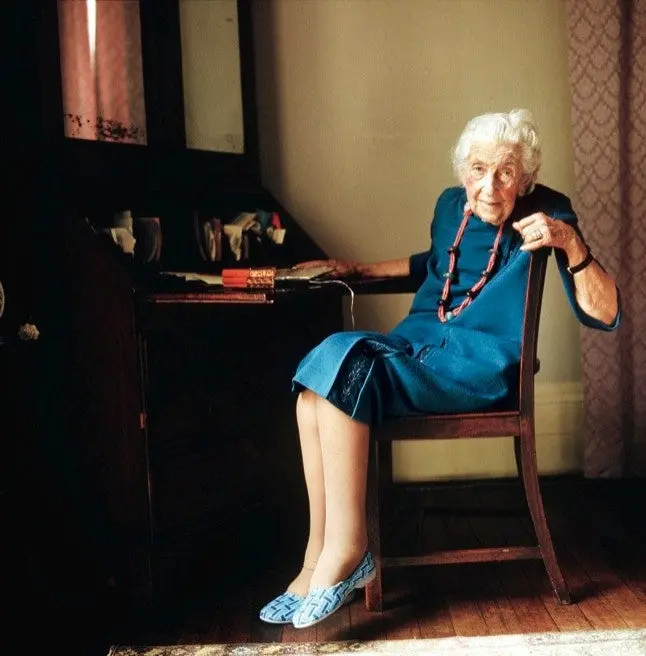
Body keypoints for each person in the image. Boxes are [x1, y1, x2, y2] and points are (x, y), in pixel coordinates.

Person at [258, 109, 621, 629]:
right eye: (479, 169)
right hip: (417, 347)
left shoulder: (549, 212)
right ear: (462, 172)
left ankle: (349, 548)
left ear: (525, 178)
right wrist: (359, 269)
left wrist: (570, 241)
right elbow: (434, 262)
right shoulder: (450, 206)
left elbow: (605, 312)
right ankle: (317, 556)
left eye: (506, 172)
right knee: (313, 389)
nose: (490, 186)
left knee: (344, 363)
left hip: (476, 367)